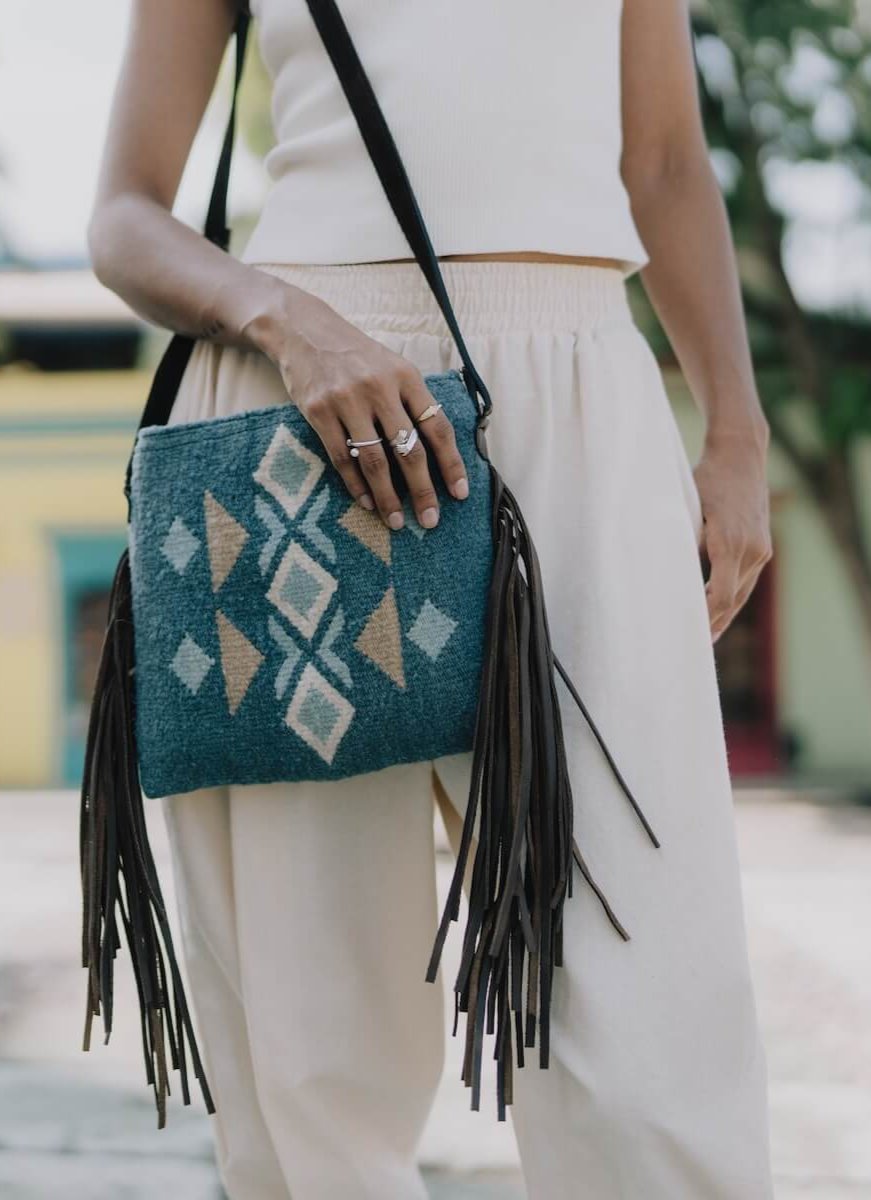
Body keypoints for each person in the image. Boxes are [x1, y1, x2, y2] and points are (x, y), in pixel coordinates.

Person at [87, 0, 775, 1196]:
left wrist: (736, 434)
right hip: (298, 413)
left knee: (652, 1001)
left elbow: (661, 160)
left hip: (578, 391)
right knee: (312, 1040)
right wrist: (285, 321)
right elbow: (124, 213)